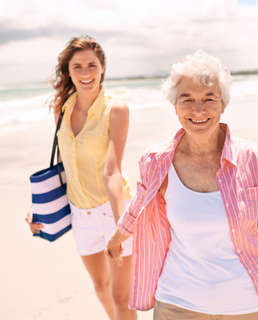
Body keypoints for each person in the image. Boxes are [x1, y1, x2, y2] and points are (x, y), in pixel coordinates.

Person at [106, 50, 258, 320]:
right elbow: (138, 205)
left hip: (246, 304)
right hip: (177, 303)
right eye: (187, 99)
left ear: (223, 104)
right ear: (175, 106)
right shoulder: (156, 161)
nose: (198, 110)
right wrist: (118, 236)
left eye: (208, 99)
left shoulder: (254, 159)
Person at [25, 35, 137, 320]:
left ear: (102, 68)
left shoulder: (117, 110)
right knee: (100, 287)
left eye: (92, 66)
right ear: (69, 71)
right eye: (78, 67)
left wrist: (120, 226)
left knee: (121, 298)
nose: (86, 73)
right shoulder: (62, 107)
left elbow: (112, 171)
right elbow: (63, 164)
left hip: (112, 208)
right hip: (80, 213)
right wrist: (39, 207)